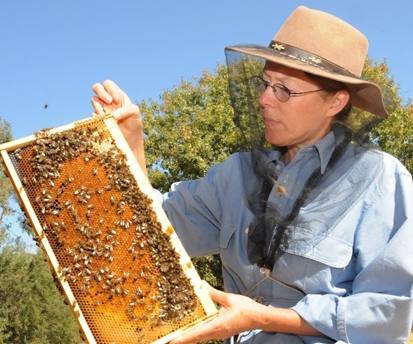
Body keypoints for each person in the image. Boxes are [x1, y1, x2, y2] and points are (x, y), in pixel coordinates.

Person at [91, 6, 413, 344]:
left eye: (284, 90)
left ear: (335, 102)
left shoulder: (382, 181)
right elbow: (153, 233)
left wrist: (262, 317)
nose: (263, 99)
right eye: (265, 84)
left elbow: (386, 314)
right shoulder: (234, 175)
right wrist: (130, 145)